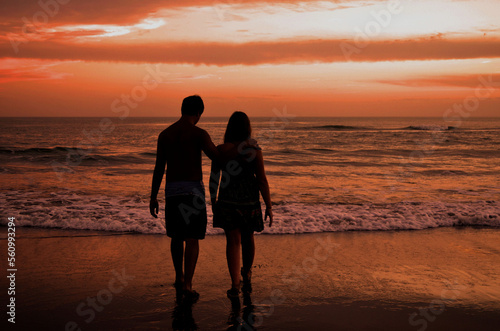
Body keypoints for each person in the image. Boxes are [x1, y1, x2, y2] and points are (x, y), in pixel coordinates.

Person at [150, 95, 218, 301]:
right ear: (198, 113)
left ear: (182, 110)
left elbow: (159, 168)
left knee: (176, 237)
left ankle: (179, 277)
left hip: (171, 193)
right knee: (192, 239)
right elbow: (217, 157)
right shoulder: (199, 134)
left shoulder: (165, 134)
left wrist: (153, 197)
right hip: (193, 195)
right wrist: (238, 148)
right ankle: (188, 284)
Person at [209, 111, 273, 299]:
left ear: (229, 128)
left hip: (227, 200)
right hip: (249, 201)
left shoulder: (221, 149)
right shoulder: (254, 150)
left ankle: (235, 283)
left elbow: (214, 178)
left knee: (233, 241)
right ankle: (247, 272)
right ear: (247, 128)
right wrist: (268, 205)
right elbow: (262, 180)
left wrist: (213, 201)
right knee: (248, 238)